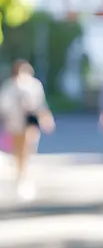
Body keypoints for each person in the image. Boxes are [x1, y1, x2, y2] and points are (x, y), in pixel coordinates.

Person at [0, 59, 55, 200]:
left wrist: (45, 117)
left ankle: (24, 173)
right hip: (14, 122)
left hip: (29, 122)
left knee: (27, 147)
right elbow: (4, 106)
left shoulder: (34, 85)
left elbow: (40, 104)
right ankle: (21, 173)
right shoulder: (10, 86)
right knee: (18, 150)